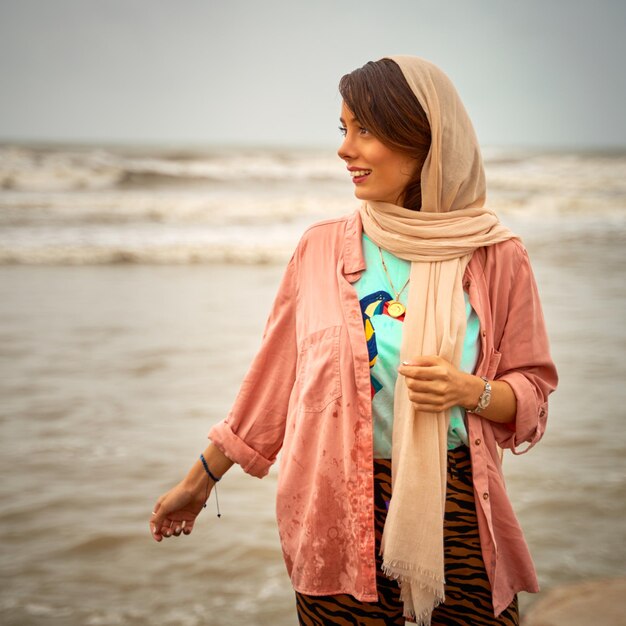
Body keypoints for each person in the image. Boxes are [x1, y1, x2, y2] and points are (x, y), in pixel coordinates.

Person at [149, 56, 558, 626]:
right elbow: (271, 384)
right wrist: (198, 481)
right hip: (335, 514)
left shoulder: (496, 255)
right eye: (343, 130)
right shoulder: (320, 249)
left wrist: (472, 391)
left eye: (365, 130)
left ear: (424, 142)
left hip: (457, 511)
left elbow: (533, 391)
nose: (345, 149)